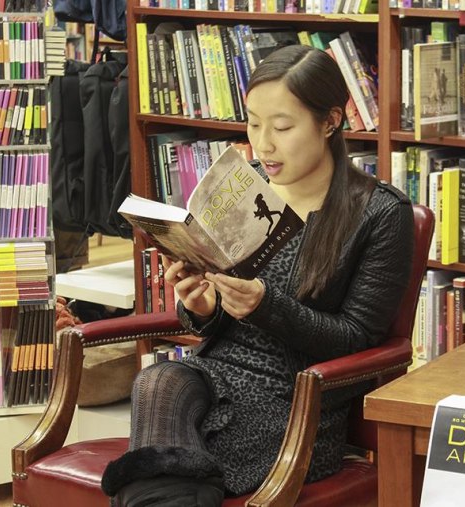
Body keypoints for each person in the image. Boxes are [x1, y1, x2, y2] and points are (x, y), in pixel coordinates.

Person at [100, 44, 415, 506]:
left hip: (296, 402)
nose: (263, 143)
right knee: (158, 379)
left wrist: (266, 307)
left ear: (330, 121)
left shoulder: (379, 213)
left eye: (282, 127)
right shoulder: (241, 185)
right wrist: (200, 307)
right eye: (253, 123)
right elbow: (208, 326)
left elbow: (357, 339)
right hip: (216, 376)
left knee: (158, 471)